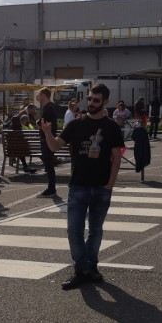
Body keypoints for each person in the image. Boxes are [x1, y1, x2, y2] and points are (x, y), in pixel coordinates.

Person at [40, 83, 124, 290]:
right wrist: (47, 133)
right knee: (74, 231)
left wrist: (110, 185)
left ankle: (91, 267)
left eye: (96, 100)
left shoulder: (112, 127)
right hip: (78, 186)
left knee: (95, 230)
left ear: (105, 102)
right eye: (89, 98)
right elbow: (55, 146)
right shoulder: (76, 124)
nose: (91, 103)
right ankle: (81, 268)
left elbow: (116, 159)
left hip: (101, 187)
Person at [37, 87, 59, 197]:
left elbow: (44, 123)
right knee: (49, 164)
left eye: (39, 95)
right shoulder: (52, 107)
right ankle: (51, 187)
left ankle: (51, 188)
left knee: (49, 164)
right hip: (49, 138)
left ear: (44, 96)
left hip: (46, 138)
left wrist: (39, 123)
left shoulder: (48, 108)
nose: (38, 98)